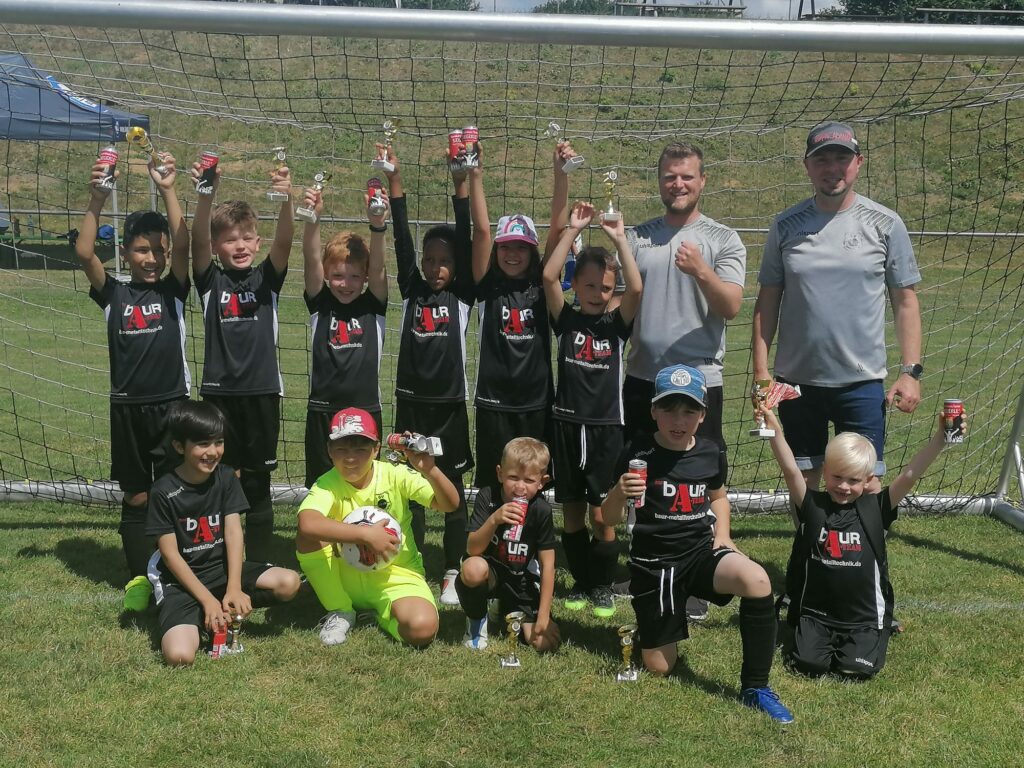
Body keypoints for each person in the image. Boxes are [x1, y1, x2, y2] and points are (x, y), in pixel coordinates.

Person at [604, 364, 794, 724]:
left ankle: (756, 686)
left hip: (699, 554)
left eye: (689, 410)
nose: (679, 419)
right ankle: (655, 624)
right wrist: (618, 492)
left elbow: (718, 496)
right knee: (660, 667)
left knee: (757, 580)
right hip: (654, 565)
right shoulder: (637, 453)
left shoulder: (710, 451)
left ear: (703, 414)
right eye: (669, 409)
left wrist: (723, 537)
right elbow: (606, 519)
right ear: (653, 411)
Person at [752, 121, 923, 493]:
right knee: (803, 480)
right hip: (795, 382)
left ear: (858, 163)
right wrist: (762, 370)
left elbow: (905, 301)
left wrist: (910, 371)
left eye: (841, 159)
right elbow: (767, 300)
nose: (832, 168)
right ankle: (810, 550)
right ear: (807, 166)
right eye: (822, 159)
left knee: (867, 480)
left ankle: (869, 552)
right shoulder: (785, 225)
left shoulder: (886, 224)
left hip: (860, 380)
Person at [621, 141, 746, 622]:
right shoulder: (638, 237)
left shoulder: (723, 239)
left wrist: (700, 271)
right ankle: (645, 566)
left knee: (699, 477)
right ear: (659, 180)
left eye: (687, 176)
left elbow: (731, 306)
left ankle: (699, 567)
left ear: (702, 181)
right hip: (642, 377)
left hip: (699, 383)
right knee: (641, 473)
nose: (678, 184)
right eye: (670, 176)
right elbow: (621, 302)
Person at [758, 405, 965, 679]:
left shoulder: (876, 508)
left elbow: (910, 475)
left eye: (853, 480)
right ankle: (813, 636)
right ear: (826, 471)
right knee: (808, 666)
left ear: (868, 480)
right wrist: (774, 430)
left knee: (854, 669)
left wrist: (941, 438)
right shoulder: (812, 505)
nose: (844, 486)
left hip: (862, 618)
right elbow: (790, 470)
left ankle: (879, 629)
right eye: (837, 477)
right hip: (816, 613)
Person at [75, 149, 190, 612]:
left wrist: (167, 189)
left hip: (172, 404)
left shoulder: (173, 290)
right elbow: (83, 252)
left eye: (158, 250)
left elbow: (184, 244)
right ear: (125, 251)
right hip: (126, 407)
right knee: (138, 493)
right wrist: (97, 200)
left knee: (172, 489)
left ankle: (180, 569)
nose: (153, 258)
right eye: (143, 249)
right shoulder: (114, 294)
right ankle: (141, 577)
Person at [383, 145, 474, 606]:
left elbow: (469, 231)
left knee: (452, 493)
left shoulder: (463, 295)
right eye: (430, 258)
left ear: (456, 265)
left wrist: (462, 184)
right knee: (410, 491)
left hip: (449, 409)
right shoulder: (412, 289)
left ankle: (452, 572)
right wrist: (394, 182)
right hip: (411, 407)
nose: (436, 267)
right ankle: (413, 565)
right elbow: (399, 237)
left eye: (445, 260)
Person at [190, 160, 293, 561]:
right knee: (216, 479)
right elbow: (197, 241)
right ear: (218, 247)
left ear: (257, 241)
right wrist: (205, 195)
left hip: (262, 394)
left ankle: (259, 561)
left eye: (248, 238)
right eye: (231, 240)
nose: (240, 246)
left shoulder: (267, 279)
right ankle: (215, 556)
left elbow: (284, 242)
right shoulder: (210, 281)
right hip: (218, 396)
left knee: (257, 482)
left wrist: (286, 199)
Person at [542, 200, 641, 618]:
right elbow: (547, 275)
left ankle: (602, 584)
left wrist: (618, 239)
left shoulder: (615, 326)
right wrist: (572, 229)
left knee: (604, 516)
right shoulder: (566, 322)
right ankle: (581, 582)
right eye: (589, 286)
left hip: (605, 429)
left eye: (605, 288)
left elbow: (635, 289)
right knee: (571, 512)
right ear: (575, 287)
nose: (598, 294)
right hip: (565, 426)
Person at [146, 400, 301, 666]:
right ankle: (201, 613)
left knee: (289, 582)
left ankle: (226, 611)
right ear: (179, 446)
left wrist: (234, 589)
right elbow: (170, 556)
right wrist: (207, 601)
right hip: (180, 581)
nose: (213, 452)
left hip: (221, 571)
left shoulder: (226, 477)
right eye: (202, 444)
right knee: (179, 656)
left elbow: (232, 532)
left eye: (218, 442)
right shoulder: (163, 491)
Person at [295, 408, 460, 647]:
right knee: (308, 535)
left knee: (422, 629)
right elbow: (307, 523)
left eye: (361, 449)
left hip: (397, 575)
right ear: (329, 450)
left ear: (376, 449)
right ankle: (340, 610)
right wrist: (366, 534)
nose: (350, 458)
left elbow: (450, 504)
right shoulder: (327, 483)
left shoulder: (395, 474)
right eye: (341, 448)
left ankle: (379, 615)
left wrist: (429, 470)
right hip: (345, 575)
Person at [468, 140, 553, 492]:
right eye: (506, 248)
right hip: (494, 402)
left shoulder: (544, 286)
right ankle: (490, 544)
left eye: (521, 248)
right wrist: (475, 172)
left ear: (533, 252)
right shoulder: (489, 287)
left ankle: (531, 542)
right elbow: (482, 230)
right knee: (495, 481)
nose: (513, 254)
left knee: (532, 481)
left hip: (536, 401)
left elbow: (560, 229)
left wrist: (561, 178)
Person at [299, 177, 389, 491]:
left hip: (365, 409)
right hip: (323, 409)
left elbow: (379, 268)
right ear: (326, 274)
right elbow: (310, 258)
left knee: (365, 484)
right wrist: (313, 219)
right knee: (322, 485)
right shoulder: (320, 304)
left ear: (364, 277)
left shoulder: (373, 305)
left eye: (354, 276)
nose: (345, 283)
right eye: (337, 275)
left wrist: (377, 227)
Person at [456, 437, 561, 653]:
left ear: (542, 482)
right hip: (491, 573)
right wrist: (494, 519)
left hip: (521, 579)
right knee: (473, 568)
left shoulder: (541, 510)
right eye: (513, 477)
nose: (520, 487)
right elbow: (472, 549)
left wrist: (543, 616)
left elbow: (548, 564)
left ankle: (502, 607)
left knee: (544, 643)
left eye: (529, 480)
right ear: (500, 473)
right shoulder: (488, 496)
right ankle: (476, 622)